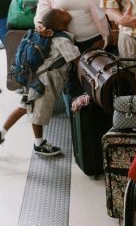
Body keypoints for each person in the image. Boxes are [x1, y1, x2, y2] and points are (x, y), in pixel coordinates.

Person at [35, 0, 109, 109]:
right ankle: (77, 131)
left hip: (95, 42)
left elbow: (112, 2)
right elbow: (44, 1)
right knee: (71, 91)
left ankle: (97, 131)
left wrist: (109, 37)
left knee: (98, 90)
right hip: (64, 46)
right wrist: (39, 22)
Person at [0, 9, 80, 156]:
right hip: (44, 83)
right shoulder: (62, 40)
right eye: (63, 15)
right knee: (37, 112)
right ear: (62, 26)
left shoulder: (47, 35)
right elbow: (76, 59)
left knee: (25, 107)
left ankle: (2, 134)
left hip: (33, 78)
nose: (65, 12)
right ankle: (39, 144)